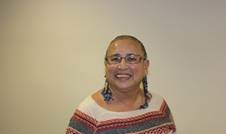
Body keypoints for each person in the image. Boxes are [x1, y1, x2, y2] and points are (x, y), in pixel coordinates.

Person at [66, 35, 176, 134]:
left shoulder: (159, 106)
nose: (122, 66)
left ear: (145, 66)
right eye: (115, 59)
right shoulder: (89, 115)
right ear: (106, 66)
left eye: (131, 58)